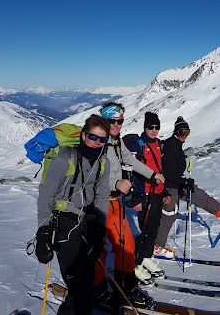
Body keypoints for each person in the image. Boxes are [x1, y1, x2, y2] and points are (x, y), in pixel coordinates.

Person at [35, 114, 111, 315]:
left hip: (88, 225)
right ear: (83, 136)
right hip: (64, 226)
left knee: (85, 282)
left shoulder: (103, 163)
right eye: (93, 137)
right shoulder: (64, 159)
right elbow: (46, 195)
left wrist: (100, 229)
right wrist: (43, 231)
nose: (97, 143)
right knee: (80, 287)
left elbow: (102, 196)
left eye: (102, 139)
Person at [94, 102, 165, 312]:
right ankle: (96, 291)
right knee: (101, 250)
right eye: (112, 121)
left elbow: (130, 162)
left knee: (126, 247)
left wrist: (152, 174)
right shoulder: (96, 142)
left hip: (116, 203)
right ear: (104, 121)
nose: (116, 125)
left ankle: (126, 287)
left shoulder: (116, 142)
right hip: (99, 204)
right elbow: (90, 175)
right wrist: (115, 183)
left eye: (120, 121)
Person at [154, 116, 220, 257]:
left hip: (178, 184)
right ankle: (157, 246)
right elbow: (167, 172)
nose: (184, 136)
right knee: (169, 216)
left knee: (197, 193)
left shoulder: (177, 146)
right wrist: (181, 182)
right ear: (176, 132)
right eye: (182, 132)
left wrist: (184, 181)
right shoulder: (169, 146)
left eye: (187, 132)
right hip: (168, 187)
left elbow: (175, 170)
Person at [127, 112, 170, 278]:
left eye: (156, 127)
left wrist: (164, 190)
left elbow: (160, 169)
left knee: (153, 228)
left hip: (157, 193)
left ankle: (146, 257)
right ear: (145, 127)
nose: (154, 130)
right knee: (145, 229)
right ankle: (136, 263)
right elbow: (132, 172)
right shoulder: (137, 145)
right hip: (144, 194)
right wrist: (136, 197)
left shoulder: (159, 144)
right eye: (150, 127)